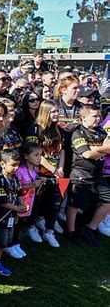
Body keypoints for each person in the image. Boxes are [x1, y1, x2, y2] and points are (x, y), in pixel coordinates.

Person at [68, 104, 110, 246]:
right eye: (95, 116)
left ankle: (90, 229)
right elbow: (87, 154)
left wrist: (94, 149)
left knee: (107, 201)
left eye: (99, 116)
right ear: (83, 118)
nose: (98, 119)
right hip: (81, 175)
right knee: (75, 205)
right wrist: (103, 149)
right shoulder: (78, 133)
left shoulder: (101, 131)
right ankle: (71, 232)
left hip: (98, 175)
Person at [0, 150, 28, 282]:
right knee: (0, 243)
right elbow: (2, 202)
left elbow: (19, 192)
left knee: (7, 241)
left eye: (18, 165)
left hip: (12, 217)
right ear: (3, 164)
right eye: (13, 165)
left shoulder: (14, 178)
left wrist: (22, 204)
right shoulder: (0, 180)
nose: (16, 168)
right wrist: (18, 208)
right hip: (1, 217)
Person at [25, 100, 64, 247]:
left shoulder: (57, 129)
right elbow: (35, 155)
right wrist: (53, 170)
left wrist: (59, 168)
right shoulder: (34, 129)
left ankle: (49, 231)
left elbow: (62, 150)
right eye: (53, 111)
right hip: (39, 173)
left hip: (55, 174)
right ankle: (32, 227)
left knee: (54, 203)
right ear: (45, 112)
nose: (56, 114)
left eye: (57, 111)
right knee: (36, 203)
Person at [8, 143, 44, 259]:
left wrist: (39, 180)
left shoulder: (34, 170)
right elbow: (15, 188)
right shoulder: (20, 170)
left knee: (21, 224)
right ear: (26, 156)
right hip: (19, 203)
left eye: (40, 155)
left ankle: (16, 243)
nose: (39, 158)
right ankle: (9, 244)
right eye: (36, 155)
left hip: (29, 202)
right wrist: (32, 185)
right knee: (15, 224)